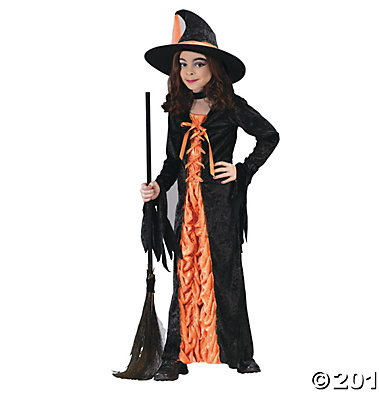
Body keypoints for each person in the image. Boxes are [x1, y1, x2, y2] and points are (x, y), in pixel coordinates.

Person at [141, 9, 280, 380]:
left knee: (227, 273)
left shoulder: (230, 106)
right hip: (187, 210)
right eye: (182, 64)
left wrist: (242, 170)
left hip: (220, 206)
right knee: (185, 275)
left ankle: (239, 353)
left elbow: (269, 136)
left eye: (198, 63)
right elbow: (172, 163)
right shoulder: (177, 110)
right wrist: (157, 187)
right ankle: (176, 355)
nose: (189, 72)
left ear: (213, 68)